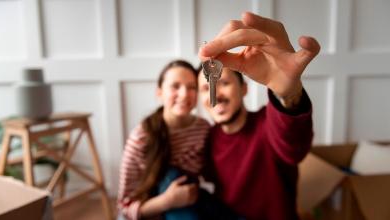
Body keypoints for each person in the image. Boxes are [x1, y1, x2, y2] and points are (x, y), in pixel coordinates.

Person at [198, 12, 320, 219]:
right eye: (206, 88)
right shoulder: (206, 137)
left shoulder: (268, 122)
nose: (215, 93)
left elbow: (293, 148)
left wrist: (288, 94)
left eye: (225, 83)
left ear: (243, 89)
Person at [117, 60, 210, 220]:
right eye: (175, 86)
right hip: (151, 210)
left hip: (190, 203)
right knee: (171, 174)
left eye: (191, 87)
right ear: (159, 93)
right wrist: (168, 201)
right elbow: (124, 208)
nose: (184, 94)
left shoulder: (204, 128)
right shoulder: (141, 137)